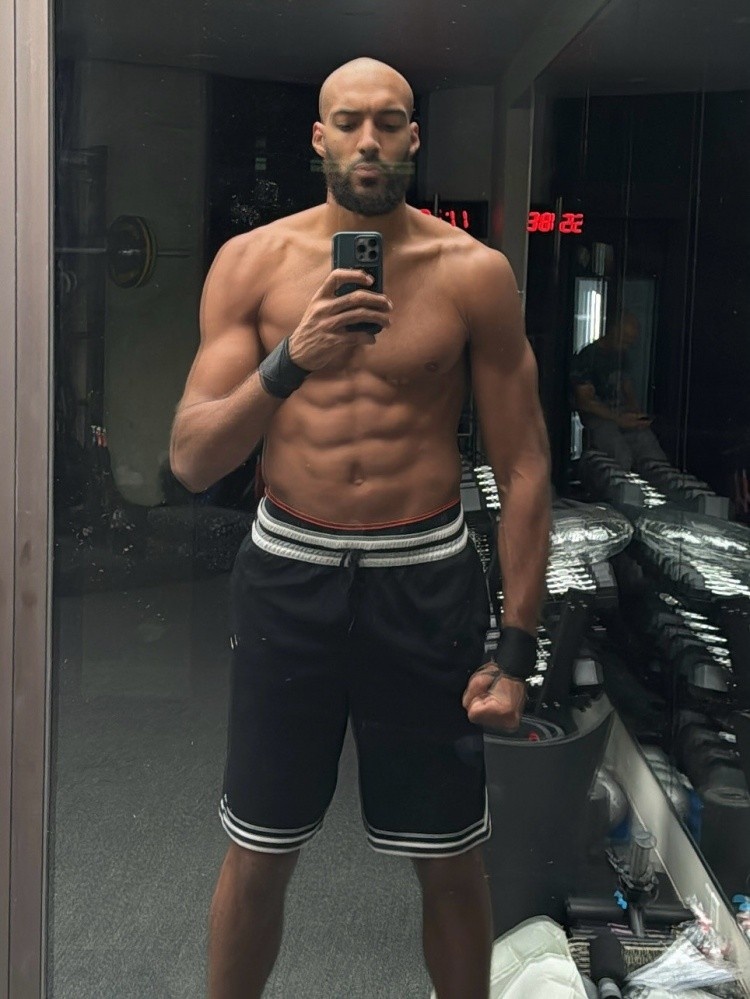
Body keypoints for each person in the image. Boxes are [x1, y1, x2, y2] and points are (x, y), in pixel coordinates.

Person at [170, 57, 551, 999]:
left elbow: (524, 465)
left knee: (450, 857)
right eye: (349, 122)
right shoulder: (251, 264)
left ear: (415, 137)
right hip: (289, 576)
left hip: (424, 580)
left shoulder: (474, 275)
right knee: (258, 849)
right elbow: (192, 457)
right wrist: (290, 360)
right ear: (320, 138)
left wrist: (516, 652)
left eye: (388, 122)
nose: (369, 141)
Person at [570, 313, 668, 472]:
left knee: (653, 455)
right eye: (626, 339)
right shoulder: (588, 357)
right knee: (621, 457)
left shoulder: (621, 356)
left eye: (631, 341)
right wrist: (618, 418)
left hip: (621, 415)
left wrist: (636, 415)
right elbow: (585, 401)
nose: (627, 345)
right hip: (598, 417)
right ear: (614, 330)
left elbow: (627, 389)